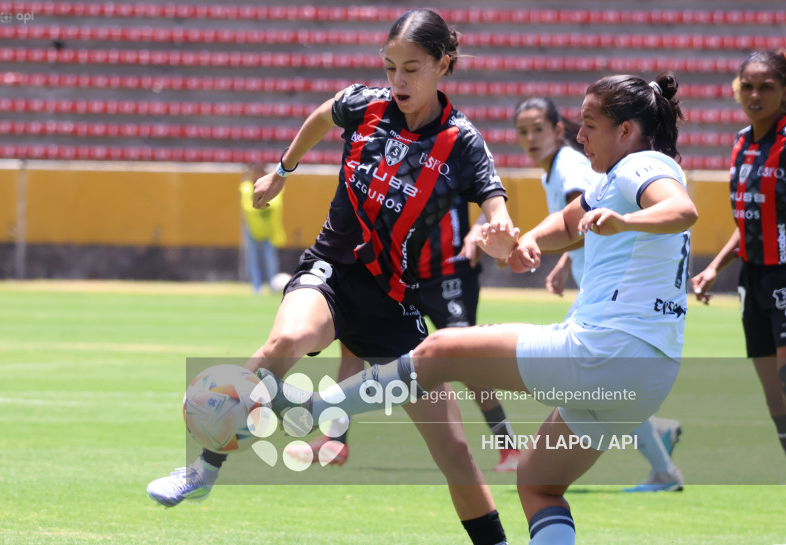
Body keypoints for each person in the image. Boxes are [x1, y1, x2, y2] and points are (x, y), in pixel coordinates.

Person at [260, 72, 698, 544]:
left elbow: (681, 209)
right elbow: (569, 221)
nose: (580, 135)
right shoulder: (615, 178)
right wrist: (528, 240)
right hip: (651, 373)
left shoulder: (643, 167)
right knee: (538, 483)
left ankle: (315, 407)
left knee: (442, 350)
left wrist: (624, 220)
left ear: (626, 131)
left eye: (589, 124)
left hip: (605, 352)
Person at [148, 9, 514, 545]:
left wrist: (499, 225)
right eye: (390, 66)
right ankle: (203, 470)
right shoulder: (365, 105)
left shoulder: (460, 141)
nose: (399, 81)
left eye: (412, 68)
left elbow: (493, 200)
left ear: (443, 65)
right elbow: (323, 116)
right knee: (287, 338)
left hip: (394, 304)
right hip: (332, 271)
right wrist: (284, 169)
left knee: (454, 451)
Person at [514, 96, 685, 492]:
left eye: (538, 129)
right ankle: (660, 460)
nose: (530, 138)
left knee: (601, 376)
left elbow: (592, 214)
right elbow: (579, 219)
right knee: (607, 385)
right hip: (604, 295)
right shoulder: (561, 169)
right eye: (523, 131)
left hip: (614, 299)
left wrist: (565, 255)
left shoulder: (577, 166)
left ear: (557, 130)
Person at [288, 197, 522, 473]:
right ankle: (335, 442)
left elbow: (492, 198)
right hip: (396, 272)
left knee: (465, 356)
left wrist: (477, 229)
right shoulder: (389, 158)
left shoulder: (458, 155)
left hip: (447, 272)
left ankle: (509, 446)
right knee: (351, 347)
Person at [691, 49, 786, 457]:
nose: (755, 94)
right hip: (752, 278)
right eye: (747, 86)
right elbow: (748, 220)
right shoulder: (741, 144)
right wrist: (714, 266)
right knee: (772, 394)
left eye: (767, 86)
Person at [239, 171, 286, 294]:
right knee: (252, 257)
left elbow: (275, 205)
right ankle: (256, 288)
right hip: (252, 228)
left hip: (268, 229)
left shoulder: (273, 186)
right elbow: (246, 206)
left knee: (270, 258)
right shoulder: (247, 188)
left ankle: (273, 286)